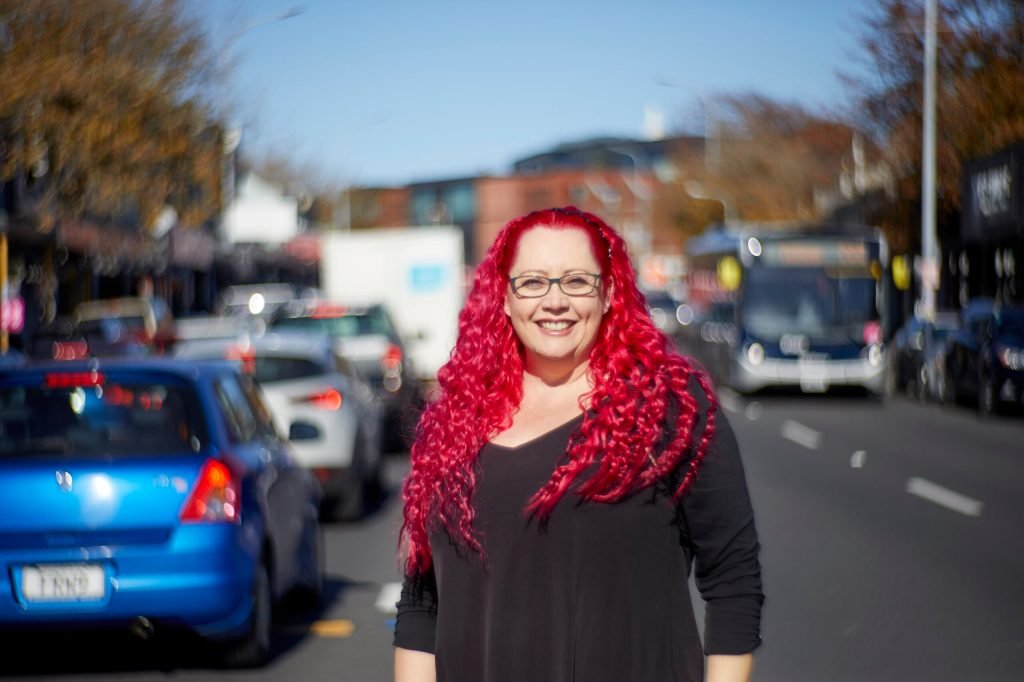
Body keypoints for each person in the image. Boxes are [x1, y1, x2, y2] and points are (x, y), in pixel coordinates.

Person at [393, 206, 764, 682]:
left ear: (608, 292)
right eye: (532, 282)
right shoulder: (454, 423)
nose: (554, 301)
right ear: (503, 298)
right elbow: (422, 604)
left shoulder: (670, 408)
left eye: (576, 281)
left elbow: (733, 583)